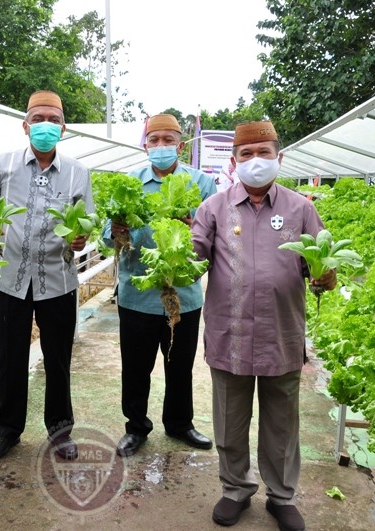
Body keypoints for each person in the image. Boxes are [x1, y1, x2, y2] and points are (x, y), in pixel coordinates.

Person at [190, 120, 337, 531]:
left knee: (282, 422)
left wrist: (327, 275)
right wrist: (174, 259)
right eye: (246, 155)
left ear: (279, 156)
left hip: (281, 333)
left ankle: (282, 496)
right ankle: (235, 489)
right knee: (230, 419)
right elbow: (194, 253)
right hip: (230, 332)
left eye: (264, 153)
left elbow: (321, 261)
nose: (256, 162)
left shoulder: (300, 208)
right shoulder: (213, 207)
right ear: (234, 161)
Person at [0, 90, 93, 461]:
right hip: (10, 280)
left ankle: (60, 431)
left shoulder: (78, 172)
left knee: (58, 359)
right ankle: (8, 430)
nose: (46, 126)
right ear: (25, 126)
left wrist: (80, 238)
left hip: (57, 281)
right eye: (38, 119)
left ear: (63, 128)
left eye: (53, 120)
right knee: (9, 357)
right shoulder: (2, 164)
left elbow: (84, 224)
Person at [105, 113, 217, 457]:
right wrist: (118, 231)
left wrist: (193, 227)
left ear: (180, 146)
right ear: (144, 146)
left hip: (182, 295)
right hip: (136, 294)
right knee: (136, 368)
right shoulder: (129, 181)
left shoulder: (202, 184)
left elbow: (215, 239)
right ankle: (136, 426)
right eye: (154, 141)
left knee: (180, 366)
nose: (161, 147)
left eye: (168, 140)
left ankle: (180, 423)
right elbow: (107, 238)